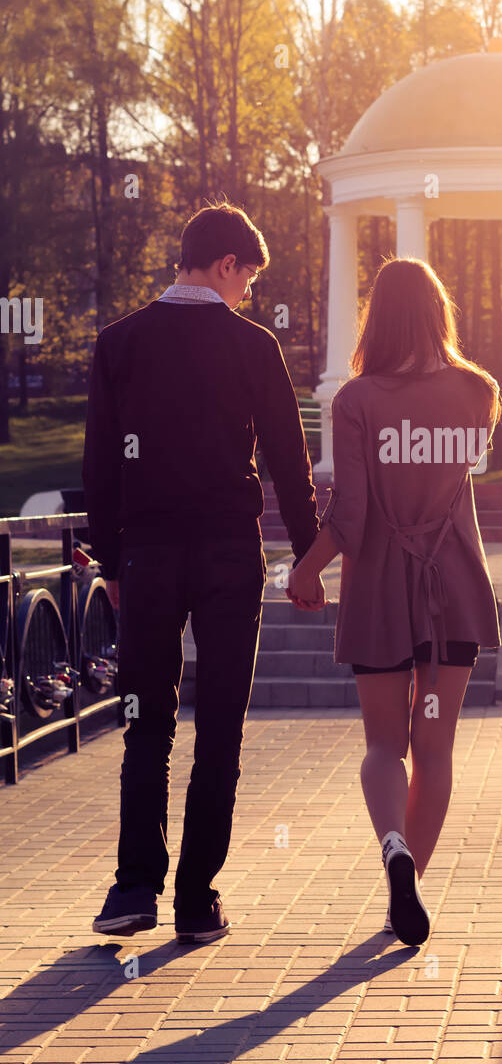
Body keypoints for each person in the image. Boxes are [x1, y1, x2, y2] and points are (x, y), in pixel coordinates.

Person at [84, 201, 322, 944]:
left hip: (148, 553)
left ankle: (132, 889)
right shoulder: (253, 348)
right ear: (226, 264)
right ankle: (195, 898)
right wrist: (310, 558)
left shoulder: (118, 342)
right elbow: (289, 462)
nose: (247, 291)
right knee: (220, 724)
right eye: (247, 276)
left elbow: (99, 466)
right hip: (227, 555)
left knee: (142, 721)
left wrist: (113, 558)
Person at [288, 257, 501, 946]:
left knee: (384, 745)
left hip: (380, 587)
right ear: (441, 313)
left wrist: (306, 571)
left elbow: (350, 514)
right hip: (454, 589)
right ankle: (406, 887)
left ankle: (393, 848)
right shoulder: (479, 391)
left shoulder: (353, 402)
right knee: (433, 747)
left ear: (374, 318)